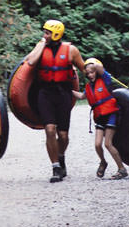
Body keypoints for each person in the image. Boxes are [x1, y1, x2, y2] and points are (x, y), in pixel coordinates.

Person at [24, 19, 86, 182]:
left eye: (47, 32)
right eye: (44, 32)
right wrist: (42, 42)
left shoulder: (71, 50)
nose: (44, 34)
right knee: (50, 130)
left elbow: (85, 69)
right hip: (44, 93)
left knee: (63, 136)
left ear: (56, 34)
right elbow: (30, 61)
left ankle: (60, 155)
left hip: (63, 93)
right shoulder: (41, 47)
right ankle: (56, 167)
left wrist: (99, 74)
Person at [72, 57, 128, 179]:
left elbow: (100, 68)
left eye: (92, 72)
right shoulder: (88, 86)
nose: (91, 75)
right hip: (99, 116)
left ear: (96, 71)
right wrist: (68, 91)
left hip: (111, 114)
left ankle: (122, 169)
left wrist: (91, 63)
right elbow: (82, 96)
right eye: (88, 73)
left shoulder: (105, 79)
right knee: (97, 145)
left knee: (107, 144)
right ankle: (103, 162)